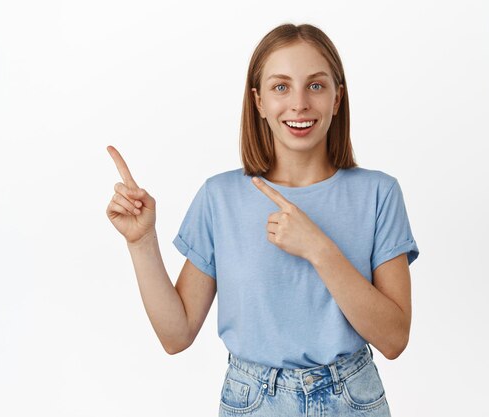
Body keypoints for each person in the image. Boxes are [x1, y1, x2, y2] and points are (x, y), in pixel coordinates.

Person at [106, 22, 419, 417]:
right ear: (258, 101)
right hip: (253, 401)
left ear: (338, 98)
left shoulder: (379, 194)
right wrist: (141, 242)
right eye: (281, 86)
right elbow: (176, 335)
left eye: (317, 86)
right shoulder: (219, 197)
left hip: (353, 399)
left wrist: (319, 250)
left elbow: (394, 339)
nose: (300, 103)